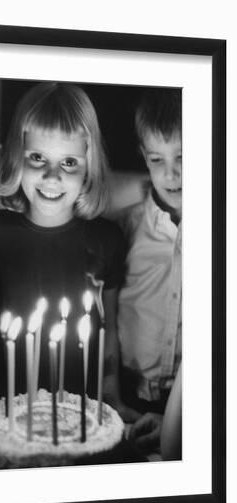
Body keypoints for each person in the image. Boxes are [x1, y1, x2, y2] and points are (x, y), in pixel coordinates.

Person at [0, 82, 132, 418]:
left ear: (89, 166)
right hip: (4, 406)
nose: (52, 176)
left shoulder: (107, 240)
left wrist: (113, 400)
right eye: (37, 158)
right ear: (18, 157)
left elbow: (110, 329)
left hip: (80, 409)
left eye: (69, 162)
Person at [115, 88, 182, 451]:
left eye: (183, 156)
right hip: (128, 400)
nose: (171, 174)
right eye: (157, 159)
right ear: (144, 156)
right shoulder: (127, 227)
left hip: (194, 407)